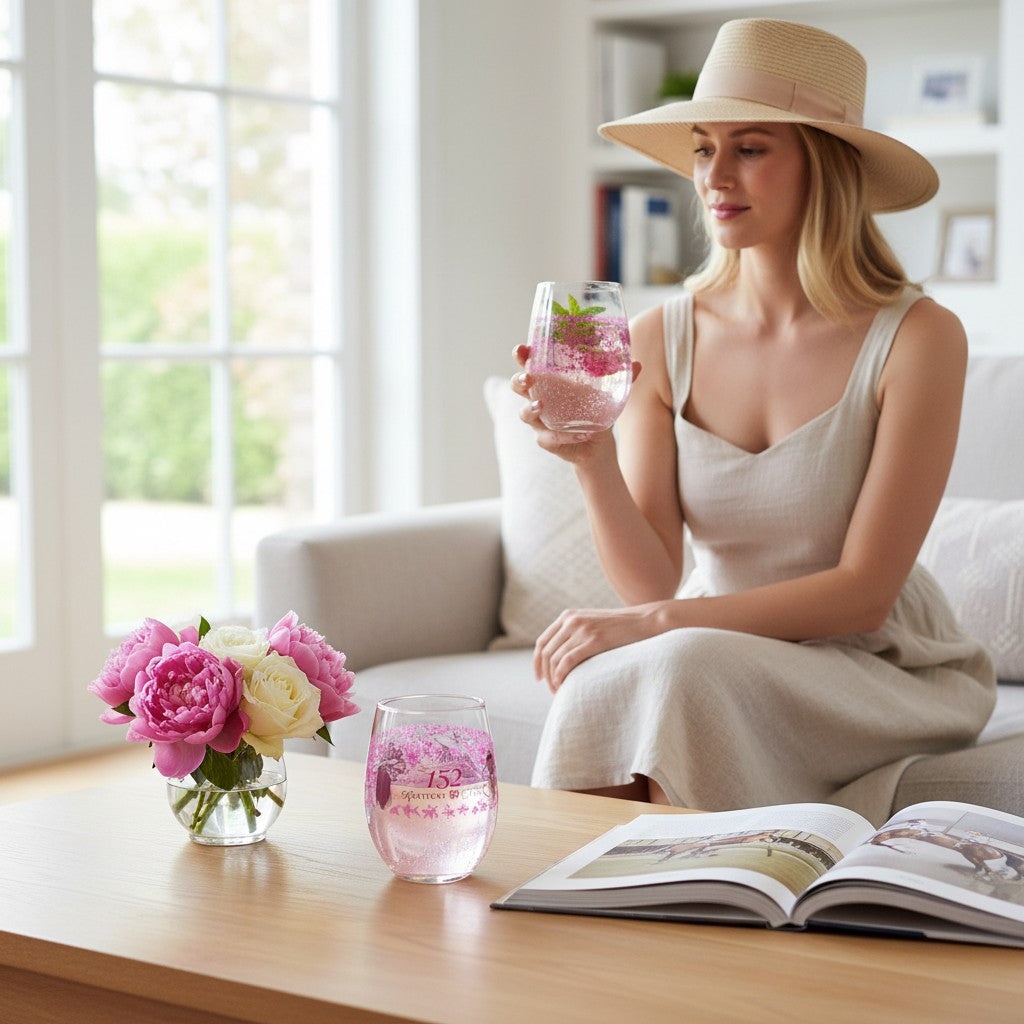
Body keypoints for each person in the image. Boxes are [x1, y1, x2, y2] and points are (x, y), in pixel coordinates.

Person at [510, 18, 995, 825]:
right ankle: (578, 891)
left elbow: (864, 596)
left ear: (825, 165)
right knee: (611, 680)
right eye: (704, 148)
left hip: (877, 666)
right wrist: (591, 459)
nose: (715, 176)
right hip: (717, 648)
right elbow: (652, 578)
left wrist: (655, 625)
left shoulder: (918, 337)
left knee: (681, 667)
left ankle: (695, 888)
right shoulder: (660, 337)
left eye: (751, 147)